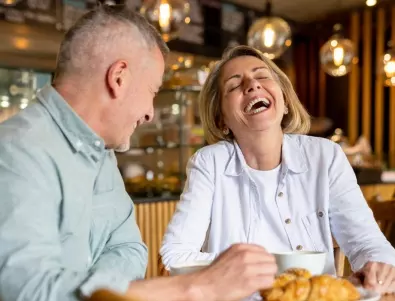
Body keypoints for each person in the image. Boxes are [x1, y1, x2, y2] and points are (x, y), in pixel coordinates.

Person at [0, 5, 277, 301]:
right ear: (119, 77)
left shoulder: (101, 154)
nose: (149, 113)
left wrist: (85, 288)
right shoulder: (15, 151)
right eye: (152, 91)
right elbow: (27, 292)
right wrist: (197, 287)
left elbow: (130, 250)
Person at [160, 45, 395, 294]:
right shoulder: (209, 163)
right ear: (221, 120)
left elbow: (366, 241)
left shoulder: (325, 155)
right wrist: (234, 270)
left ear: (284, 101)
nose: (252, 85)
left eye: (262, 76)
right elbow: (174, 256)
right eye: (234, 85)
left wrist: (380, 267)